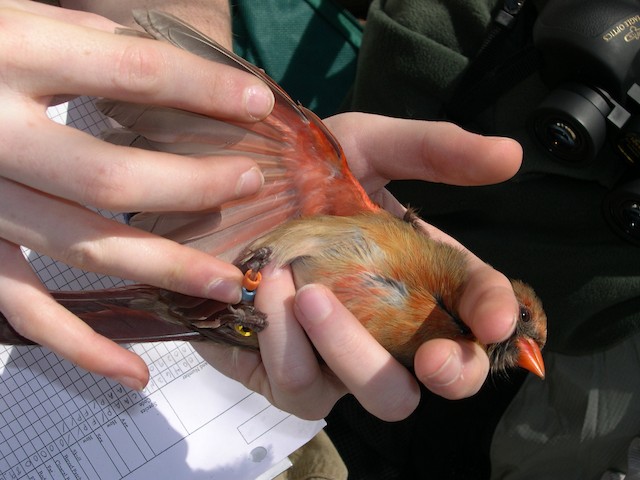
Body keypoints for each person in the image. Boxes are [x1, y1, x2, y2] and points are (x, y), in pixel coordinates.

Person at [0, 0, 526, 424]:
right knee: (305, 144)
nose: (525, 349)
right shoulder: (342, 198)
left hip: (232, 314)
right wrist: (191, 84)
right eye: (522, 321)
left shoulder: (434, 346)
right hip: (225, 282)